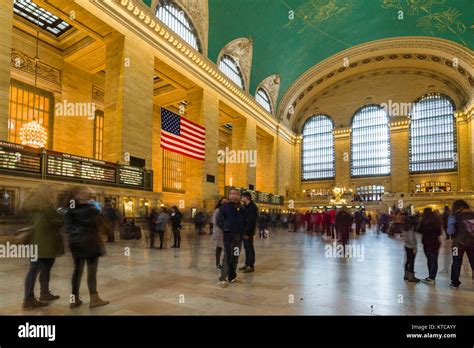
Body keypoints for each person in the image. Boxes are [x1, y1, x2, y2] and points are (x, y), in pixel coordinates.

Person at [65, 188, 109, 309]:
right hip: (90, 242)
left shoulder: (70, 209)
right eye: (84, 193)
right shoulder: (92, 209)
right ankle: (94, 299)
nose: (86, 195)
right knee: (91, 271)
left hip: (75, 243)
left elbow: (67, 227)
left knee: (77, 271)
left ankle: (74, 299)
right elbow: (102, 223)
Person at [22, 186, 64, 309]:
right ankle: (31, 299)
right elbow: (59, 222)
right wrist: (61, 216)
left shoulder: (30, 207)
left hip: (34, 242)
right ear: (47, 194)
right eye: (51, 193)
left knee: (34, 269)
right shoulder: (48, 207)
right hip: (46, 243)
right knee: (41, 269)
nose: (53, 196)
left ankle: (41, 294)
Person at [216, 188, 244, 288]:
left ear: (238, 196)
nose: (233, 195)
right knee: (227, 257)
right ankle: (223, 278)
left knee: (235, 256)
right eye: (231, 193)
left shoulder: (241, 207)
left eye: (235, 193)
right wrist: (225, 228)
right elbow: (219, 220)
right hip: (229, 237)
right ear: (229, 195)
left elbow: (244, 221)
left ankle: (232, 277)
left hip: (238, 238)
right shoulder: (224, 207)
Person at [447, 200, 474, 288]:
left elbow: (450, 231)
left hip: (457, 244)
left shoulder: (453, 216)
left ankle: (455, 282)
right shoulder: (472, 214)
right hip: (472, 242)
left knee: (456, 262)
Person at [420, 207, 442, 284]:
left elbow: (420, 231)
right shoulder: (437, 221)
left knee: (429, 260)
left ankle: (430, 277)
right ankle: (432, 277)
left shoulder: (423, 221)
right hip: (435, 242)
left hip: (426, 242)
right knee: (434, 260)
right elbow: (439, 233)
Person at [239, 191, 258, 273]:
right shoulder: (245, 207)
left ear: (247, 198)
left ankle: (251, 265)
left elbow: (251, 221)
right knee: (246, 248)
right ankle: (247, 264)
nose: (241, 198)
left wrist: (247, 233)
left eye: (242, 197)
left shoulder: (252, 207)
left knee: (250, 248)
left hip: (248, 232)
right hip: (244, 231)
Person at [403, 206, 420, 282]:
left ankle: (406, 275)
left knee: (407, 261)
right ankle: (411, 277)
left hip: (406, 245)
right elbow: (411, 238)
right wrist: (414, 247)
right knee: (411, 261)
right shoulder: (411, 228)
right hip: (411, 246)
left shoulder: (405, 227)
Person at [211, 198, 228, 269]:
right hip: (219, 231)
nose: (225, 203)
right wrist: (223, 226)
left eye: (226, 202)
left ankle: (226, 262)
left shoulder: (228, 210)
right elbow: (215, 221)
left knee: (227, 247)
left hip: (227, 230)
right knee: (219, 247)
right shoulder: (217, 210)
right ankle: (217, 263)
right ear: (220, 202)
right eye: (223, 202)